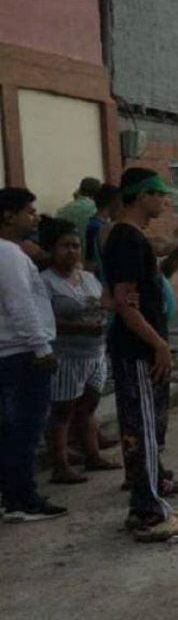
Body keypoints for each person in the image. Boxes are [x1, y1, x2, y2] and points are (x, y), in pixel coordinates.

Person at [103, 168, 178, 542]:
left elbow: (157, 272)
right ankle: (147, 513)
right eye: (160, 194)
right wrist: (158, 344)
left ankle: (153, 500)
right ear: (141, 195)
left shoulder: (135, 238)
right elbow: (125, 304)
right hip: (137, 351)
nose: (165, 201)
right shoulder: (126, 239)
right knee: (141, 429)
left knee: (151, 428)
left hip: (146, 347)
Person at [0, 188, 67, 522]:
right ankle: (22, 499)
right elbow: (20, 304)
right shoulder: (8, 254)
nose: (34, 217)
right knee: (25, 429)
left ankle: (12, 496)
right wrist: (42, 347)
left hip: (11, 352)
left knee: (10, 428)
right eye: (28, 211)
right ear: (8, 215)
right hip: (22, 352)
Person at [40, 220, 120, 485]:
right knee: (63, 411)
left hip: (95, 353)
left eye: (75, 246)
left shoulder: (86, 277)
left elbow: (102, 302)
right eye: (65, 246)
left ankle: (92, 455)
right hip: (66, 356)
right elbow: (44, 320)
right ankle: (60, 465)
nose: (72, 251)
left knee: (88, 407)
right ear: (51, 249)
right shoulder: (46, 282)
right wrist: (80, 327)